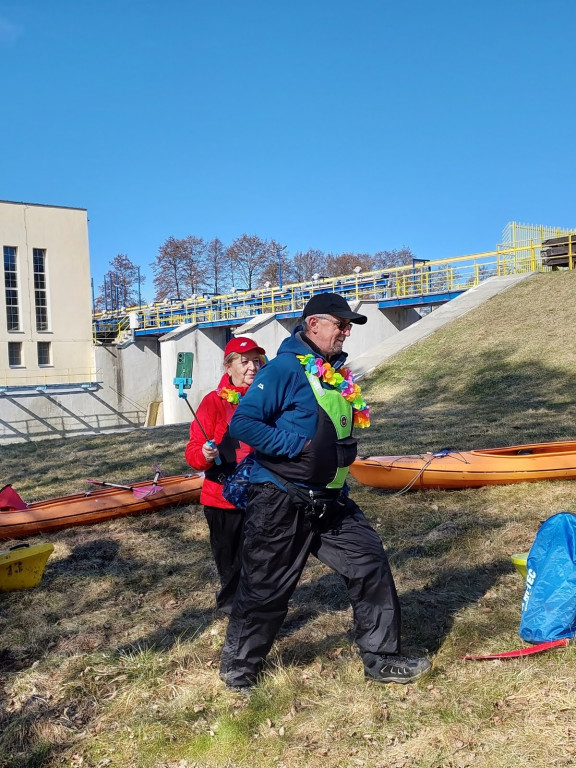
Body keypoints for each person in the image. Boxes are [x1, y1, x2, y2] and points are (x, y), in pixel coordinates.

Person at [219, 293, 431, 691]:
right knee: (266, 587)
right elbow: (244, 425)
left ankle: (381, 658)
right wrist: (297, 448)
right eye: (341, 324)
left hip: (332, 501)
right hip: (281, 499)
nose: (347, 332)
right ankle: (239, 670)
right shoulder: (284, 368)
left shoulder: (332, 372)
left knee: (369, 565)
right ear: (314, 324)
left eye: (349, 326)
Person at [185, 336, 266, 615]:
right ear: (228, 367)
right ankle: (232, 607)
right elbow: (194, 449)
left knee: (260, 554)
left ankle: (258, 604)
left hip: (263, 492)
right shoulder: (213, 402)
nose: (252, 368)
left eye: (256, 361)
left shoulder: (269, 396)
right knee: (229, 558)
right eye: (244, 362)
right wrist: (204, 457)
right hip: (222, 498)